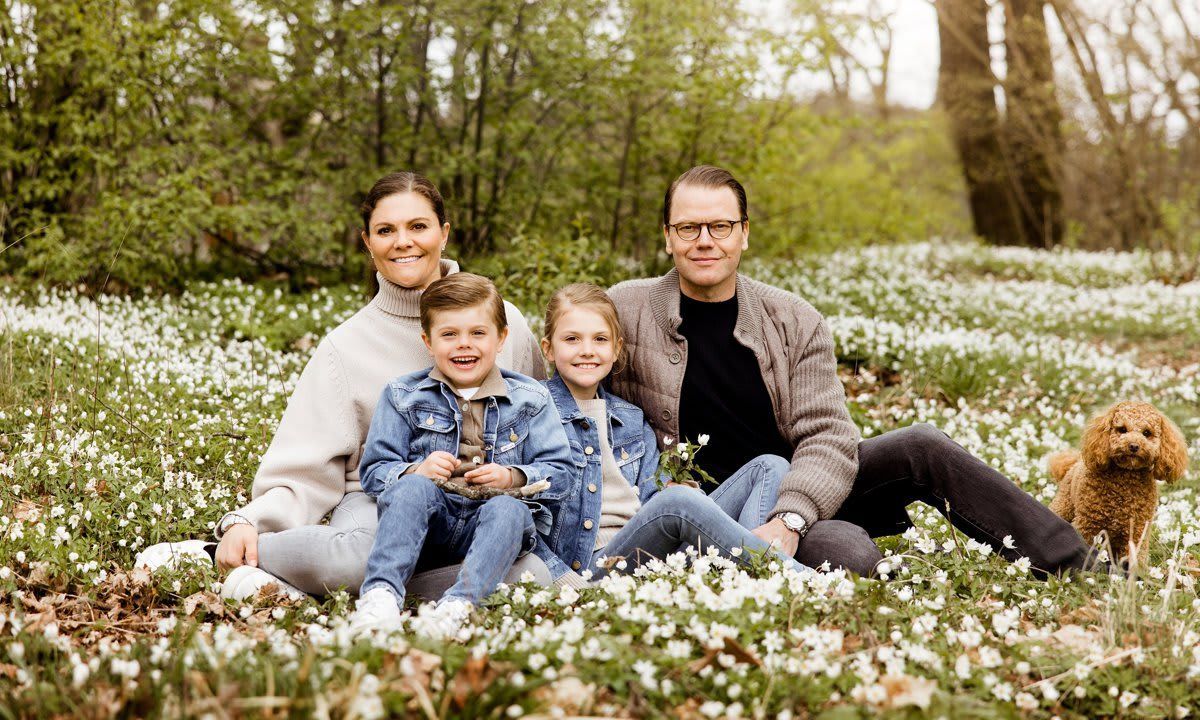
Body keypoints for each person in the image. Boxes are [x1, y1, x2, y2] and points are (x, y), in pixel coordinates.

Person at [608, 165, 1100, 578]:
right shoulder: (623, 309)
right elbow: (569, 394)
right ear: (668, 237)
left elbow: (827, 435)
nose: (704, 241)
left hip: (802, 489)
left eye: (720, 226)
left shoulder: (793, 318)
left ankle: (1075, 565)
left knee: (921, 444)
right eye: (688, 228)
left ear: (744, 232)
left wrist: (792, 516)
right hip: (704, 506)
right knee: (851, 555)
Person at [134, 172, 551, 599]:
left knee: (533, 575)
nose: (403, 241)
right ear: (368, 244)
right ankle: (224, 555)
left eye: (418, 226)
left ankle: (358, 591)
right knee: (360, 560)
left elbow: (545, 425)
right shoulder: (345, 347)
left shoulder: (505, 323)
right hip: (378, 502)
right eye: (386, 230)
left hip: (480, 506)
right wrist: (246, 522)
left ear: (444, 234)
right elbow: (303, 469)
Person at [533, 283, 809, 586]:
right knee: (678, 500)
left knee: (771, 466)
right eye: (572, 339)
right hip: (593, 566)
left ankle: (747, 576)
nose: (587, 350)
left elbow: (654, 497)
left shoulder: (630, 418)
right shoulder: (532, 413)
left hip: (655, 554)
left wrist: (675, 492)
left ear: (616, 348)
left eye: (600, 339)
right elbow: (524, 520)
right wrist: (564, 582)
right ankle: (796, 579)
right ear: (548, 348)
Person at [350, 273, 574, 635]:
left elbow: (561, 473)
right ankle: (381, 597)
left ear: (501, 338)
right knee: (412, 489)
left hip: (492, 531)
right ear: (428, 340)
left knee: (508, 508)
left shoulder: (531, 398)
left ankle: (458, 607)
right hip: (429, 527)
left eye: (478, 333)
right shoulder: (402, 395)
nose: (463, 345)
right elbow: (375, 470)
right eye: (449, 334)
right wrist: (415, 471)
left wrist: (512, 477)